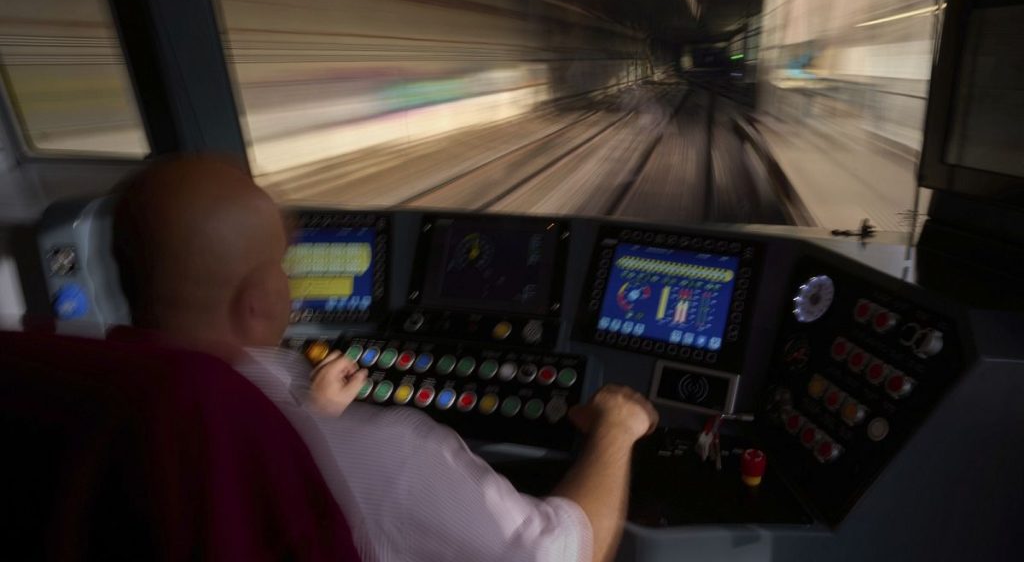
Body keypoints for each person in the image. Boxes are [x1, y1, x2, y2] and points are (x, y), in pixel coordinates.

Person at [113, 155, 659, 562]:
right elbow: (564, 553)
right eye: (280, 264)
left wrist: (311, 415)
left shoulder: (100, 404)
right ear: (256, 301)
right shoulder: (394, 452)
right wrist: (616, 429)